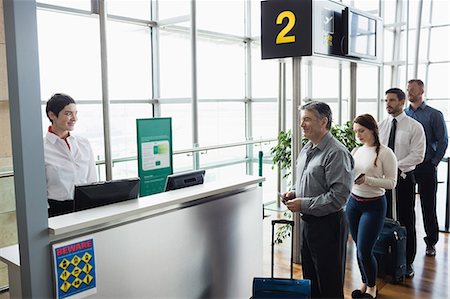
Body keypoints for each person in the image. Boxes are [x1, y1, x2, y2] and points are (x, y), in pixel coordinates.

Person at [281, 101, 354, 298]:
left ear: (323, 121)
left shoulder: (336, 152)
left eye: (307, 119)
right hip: (309, 223)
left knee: (329, 283)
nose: (301, 124)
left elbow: (338, 197)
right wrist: (294, 193)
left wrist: (303, 203)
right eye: (301, 119)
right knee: (310, 280)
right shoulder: (307, 148)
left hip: (328, 225)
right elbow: (307, 182)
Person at [347, 114, 397, 299]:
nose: (358, 135)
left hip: (373, 206)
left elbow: (392, 183)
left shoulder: (385, 153)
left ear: (372, 129)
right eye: (355, 131)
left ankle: (372, 287)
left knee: (364, 250)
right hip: (353, 203)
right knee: (359, 249)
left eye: (361, 131)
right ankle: (365, 281)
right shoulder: (356, 150)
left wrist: (367, 180)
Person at [378, 88, 425, 277]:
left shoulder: (414, 127)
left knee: (406, 220)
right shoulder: (381, 126)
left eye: (391, 100)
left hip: (404, 180)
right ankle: (385, 260)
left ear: (402, 102)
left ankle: (407, 261)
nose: (388, 104)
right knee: (382, 219)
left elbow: (418, 155)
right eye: (386, 100)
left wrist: (396, 166)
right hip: (382, 181)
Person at [405, 79, 448, 257]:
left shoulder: (434, 115)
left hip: (426, 166)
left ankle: (431, 242)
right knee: (406, 205)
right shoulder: (404, 115)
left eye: (412, 90)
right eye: (407, 90)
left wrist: (435, 162)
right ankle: (405, 241)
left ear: (422, 91)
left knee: (428, 206)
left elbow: (443, 140)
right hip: (407, 166)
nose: (409, 93)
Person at [44, 93, 97, 217]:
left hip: (85, 207)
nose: (74, 118)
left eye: (75, 113)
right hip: (56, 210)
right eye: (68, 113)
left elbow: (92, 180)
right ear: (52, 115)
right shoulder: (41, 148)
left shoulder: (84, 144)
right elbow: (37, 190)